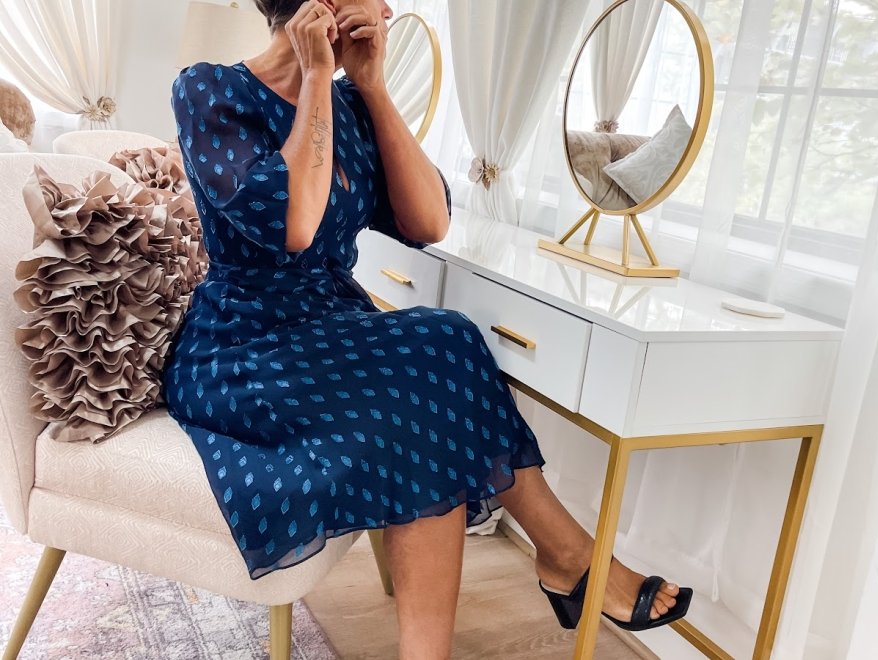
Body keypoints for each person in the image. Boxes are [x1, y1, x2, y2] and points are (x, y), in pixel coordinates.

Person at [163, 0, 691, 657]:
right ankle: (569, 558)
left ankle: (555, 565)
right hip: (245, 344)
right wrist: (315, 74)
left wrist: (373, 89)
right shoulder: (210, 90)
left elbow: (429, 221)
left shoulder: (353, 106)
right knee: (437, 357)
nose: (387, 8)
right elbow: (293, 224)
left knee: (443, 355)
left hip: (329, 326)